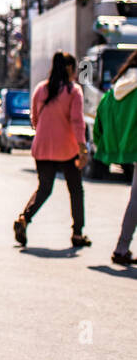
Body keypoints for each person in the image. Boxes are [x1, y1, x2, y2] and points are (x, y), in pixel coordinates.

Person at [14, 51, 89, 248]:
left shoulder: (41, 89)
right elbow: (77, 122)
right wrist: (82, 149)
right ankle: (77, 234)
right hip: (67, 149)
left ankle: (24, 218)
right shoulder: (73, 91)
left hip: (43, 147)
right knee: (75, 190)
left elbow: (35, 120)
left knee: (44, 188)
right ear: (70, 68)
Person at [91, 49, 137, 265]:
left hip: (132, 149)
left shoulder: (116, 90)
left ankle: (121, 248)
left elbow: (99, 119)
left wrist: (103, 144)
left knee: (135, 201)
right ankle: (121, 248)